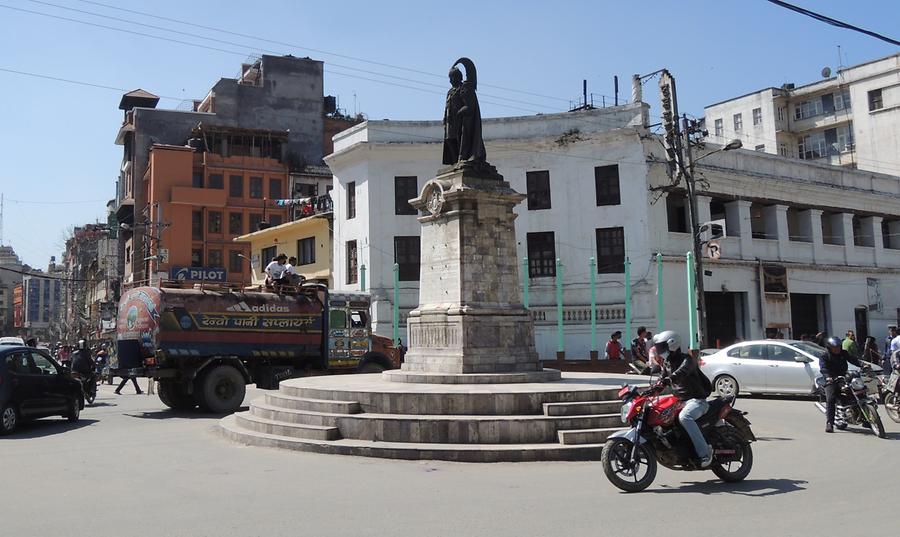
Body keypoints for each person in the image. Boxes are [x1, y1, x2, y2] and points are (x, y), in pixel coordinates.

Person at [653, 330, 714, 467]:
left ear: (672, 345)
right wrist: (653, 389)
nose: (660, 351)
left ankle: (705, 453)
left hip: (696, 400)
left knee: (685, 417)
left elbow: (681, 373)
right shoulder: (667, 363)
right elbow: (662, 379)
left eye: (662, 348)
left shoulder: (687, 360)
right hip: (680, 401)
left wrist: (669, 380)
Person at [820, 336, 865, 433]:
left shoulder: (843, 353)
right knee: (831, 398)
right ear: (829, 348)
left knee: (859, 391)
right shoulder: (824, 356)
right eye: (834, 347)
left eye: (838, 347)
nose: (837, 349)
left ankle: (866, 418)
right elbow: (823, 368)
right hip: (831, 379)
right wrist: (828, 376)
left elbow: (853, 359)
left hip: (843, 377)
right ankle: (829, 423)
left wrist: (862, 364)